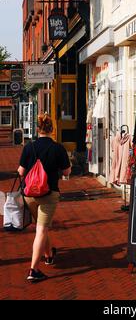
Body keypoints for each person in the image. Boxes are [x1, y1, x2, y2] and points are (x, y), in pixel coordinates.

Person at [18, 113, 71, 283]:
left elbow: (21, 172)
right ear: (52, 130)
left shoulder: (29, 147)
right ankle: (33, 270)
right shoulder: (58, 148)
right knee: (41, 229)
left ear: (37, 129)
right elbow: (66, 172)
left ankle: (48, 255)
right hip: (49, 194)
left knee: (42, 227)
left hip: (29, 195)